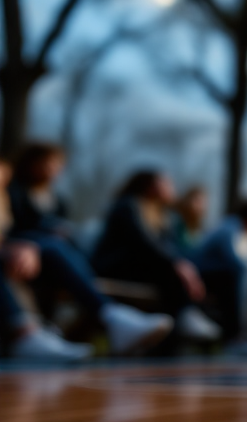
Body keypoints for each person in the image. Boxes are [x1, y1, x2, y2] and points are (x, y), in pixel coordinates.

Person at [3, 147, 174, 355]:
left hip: (39, 256)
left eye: (57, 164)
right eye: (48, 163)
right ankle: (29, 334)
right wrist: (23, 243)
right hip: (29, 253)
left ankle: (112, 318)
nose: (53, 169)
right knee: (54, 246)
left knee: (60, 247)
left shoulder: (57, 199)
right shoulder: (17, 192)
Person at [91, 170, 221, 344]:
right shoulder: (128, 205)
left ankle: (181, 323)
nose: (171, 187)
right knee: (169, 268)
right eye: (166, 183)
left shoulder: (163, 216)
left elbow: (171, 248)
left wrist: (183, 265)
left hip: (142, 270)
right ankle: (185, 315)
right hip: (115, 268)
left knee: (179, 269)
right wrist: (178, 264)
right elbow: (142, 243)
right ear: (151, 186)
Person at [0, 156, 92, 360]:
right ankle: (26, 334)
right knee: (49, 247)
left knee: (53, 248)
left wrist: (20, 247)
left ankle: (40, 331)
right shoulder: (19, 194)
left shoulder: (6, 201)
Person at [191, 198, 247, 348]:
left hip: (229, 277)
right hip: (203, 275)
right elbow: (235, 261)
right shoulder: (230, 228)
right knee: (245, 275)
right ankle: (239, 338)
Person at [171, 186, 210, 255]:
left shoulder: (204, 232)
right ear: (187, 202)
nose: (201, 206)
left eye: (204, 203)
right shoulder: (174, 228)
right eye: (198, 201)